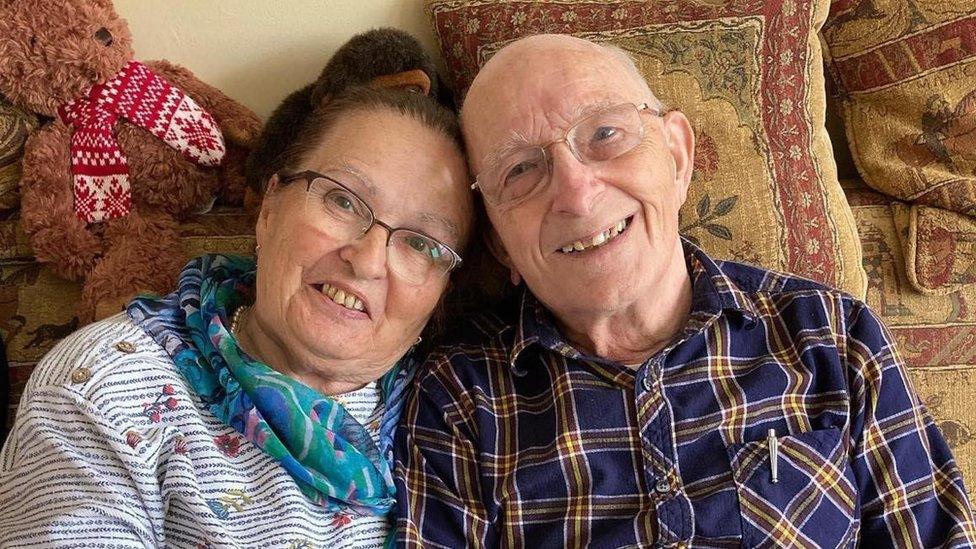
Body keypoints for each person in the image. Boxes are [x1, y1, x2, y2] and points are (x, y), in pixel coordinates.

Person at [395, 34, 976, 547]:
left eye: (605, 133)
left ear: (677, 155)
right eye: (520, 170)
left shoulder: (830, 334)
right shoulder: (458, 402)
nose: (575, 192)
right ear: (499, 244)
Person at [0, 86, 473, 548]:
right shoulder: (103, 385)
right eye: (343, 200)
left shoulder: (464, 418)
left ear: (441, 294)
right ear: (269, 208)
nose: (368, 261)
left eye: (421, 244)